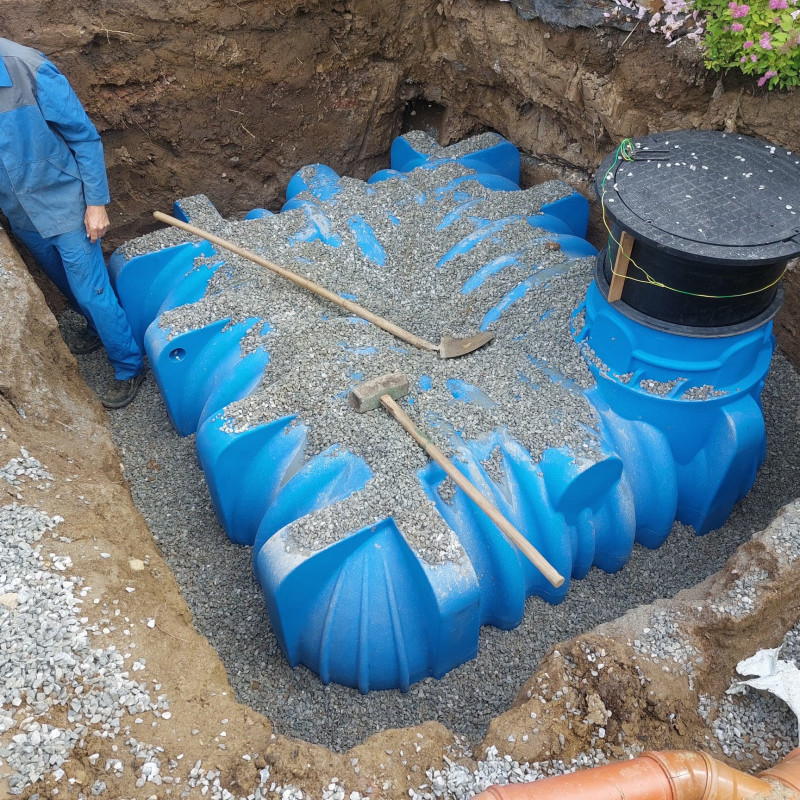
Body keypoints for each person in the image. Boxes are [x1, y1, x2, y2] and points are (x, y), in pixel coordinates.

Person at [0, 37, 144, 409]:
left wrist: (96, 204)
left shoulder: (29, 67)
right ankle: (98, 331)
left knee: (91, 292)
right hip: (20, 212)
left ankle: (129, 366)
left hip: (64, 203)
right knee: (63, 281)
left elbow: (84, 136)